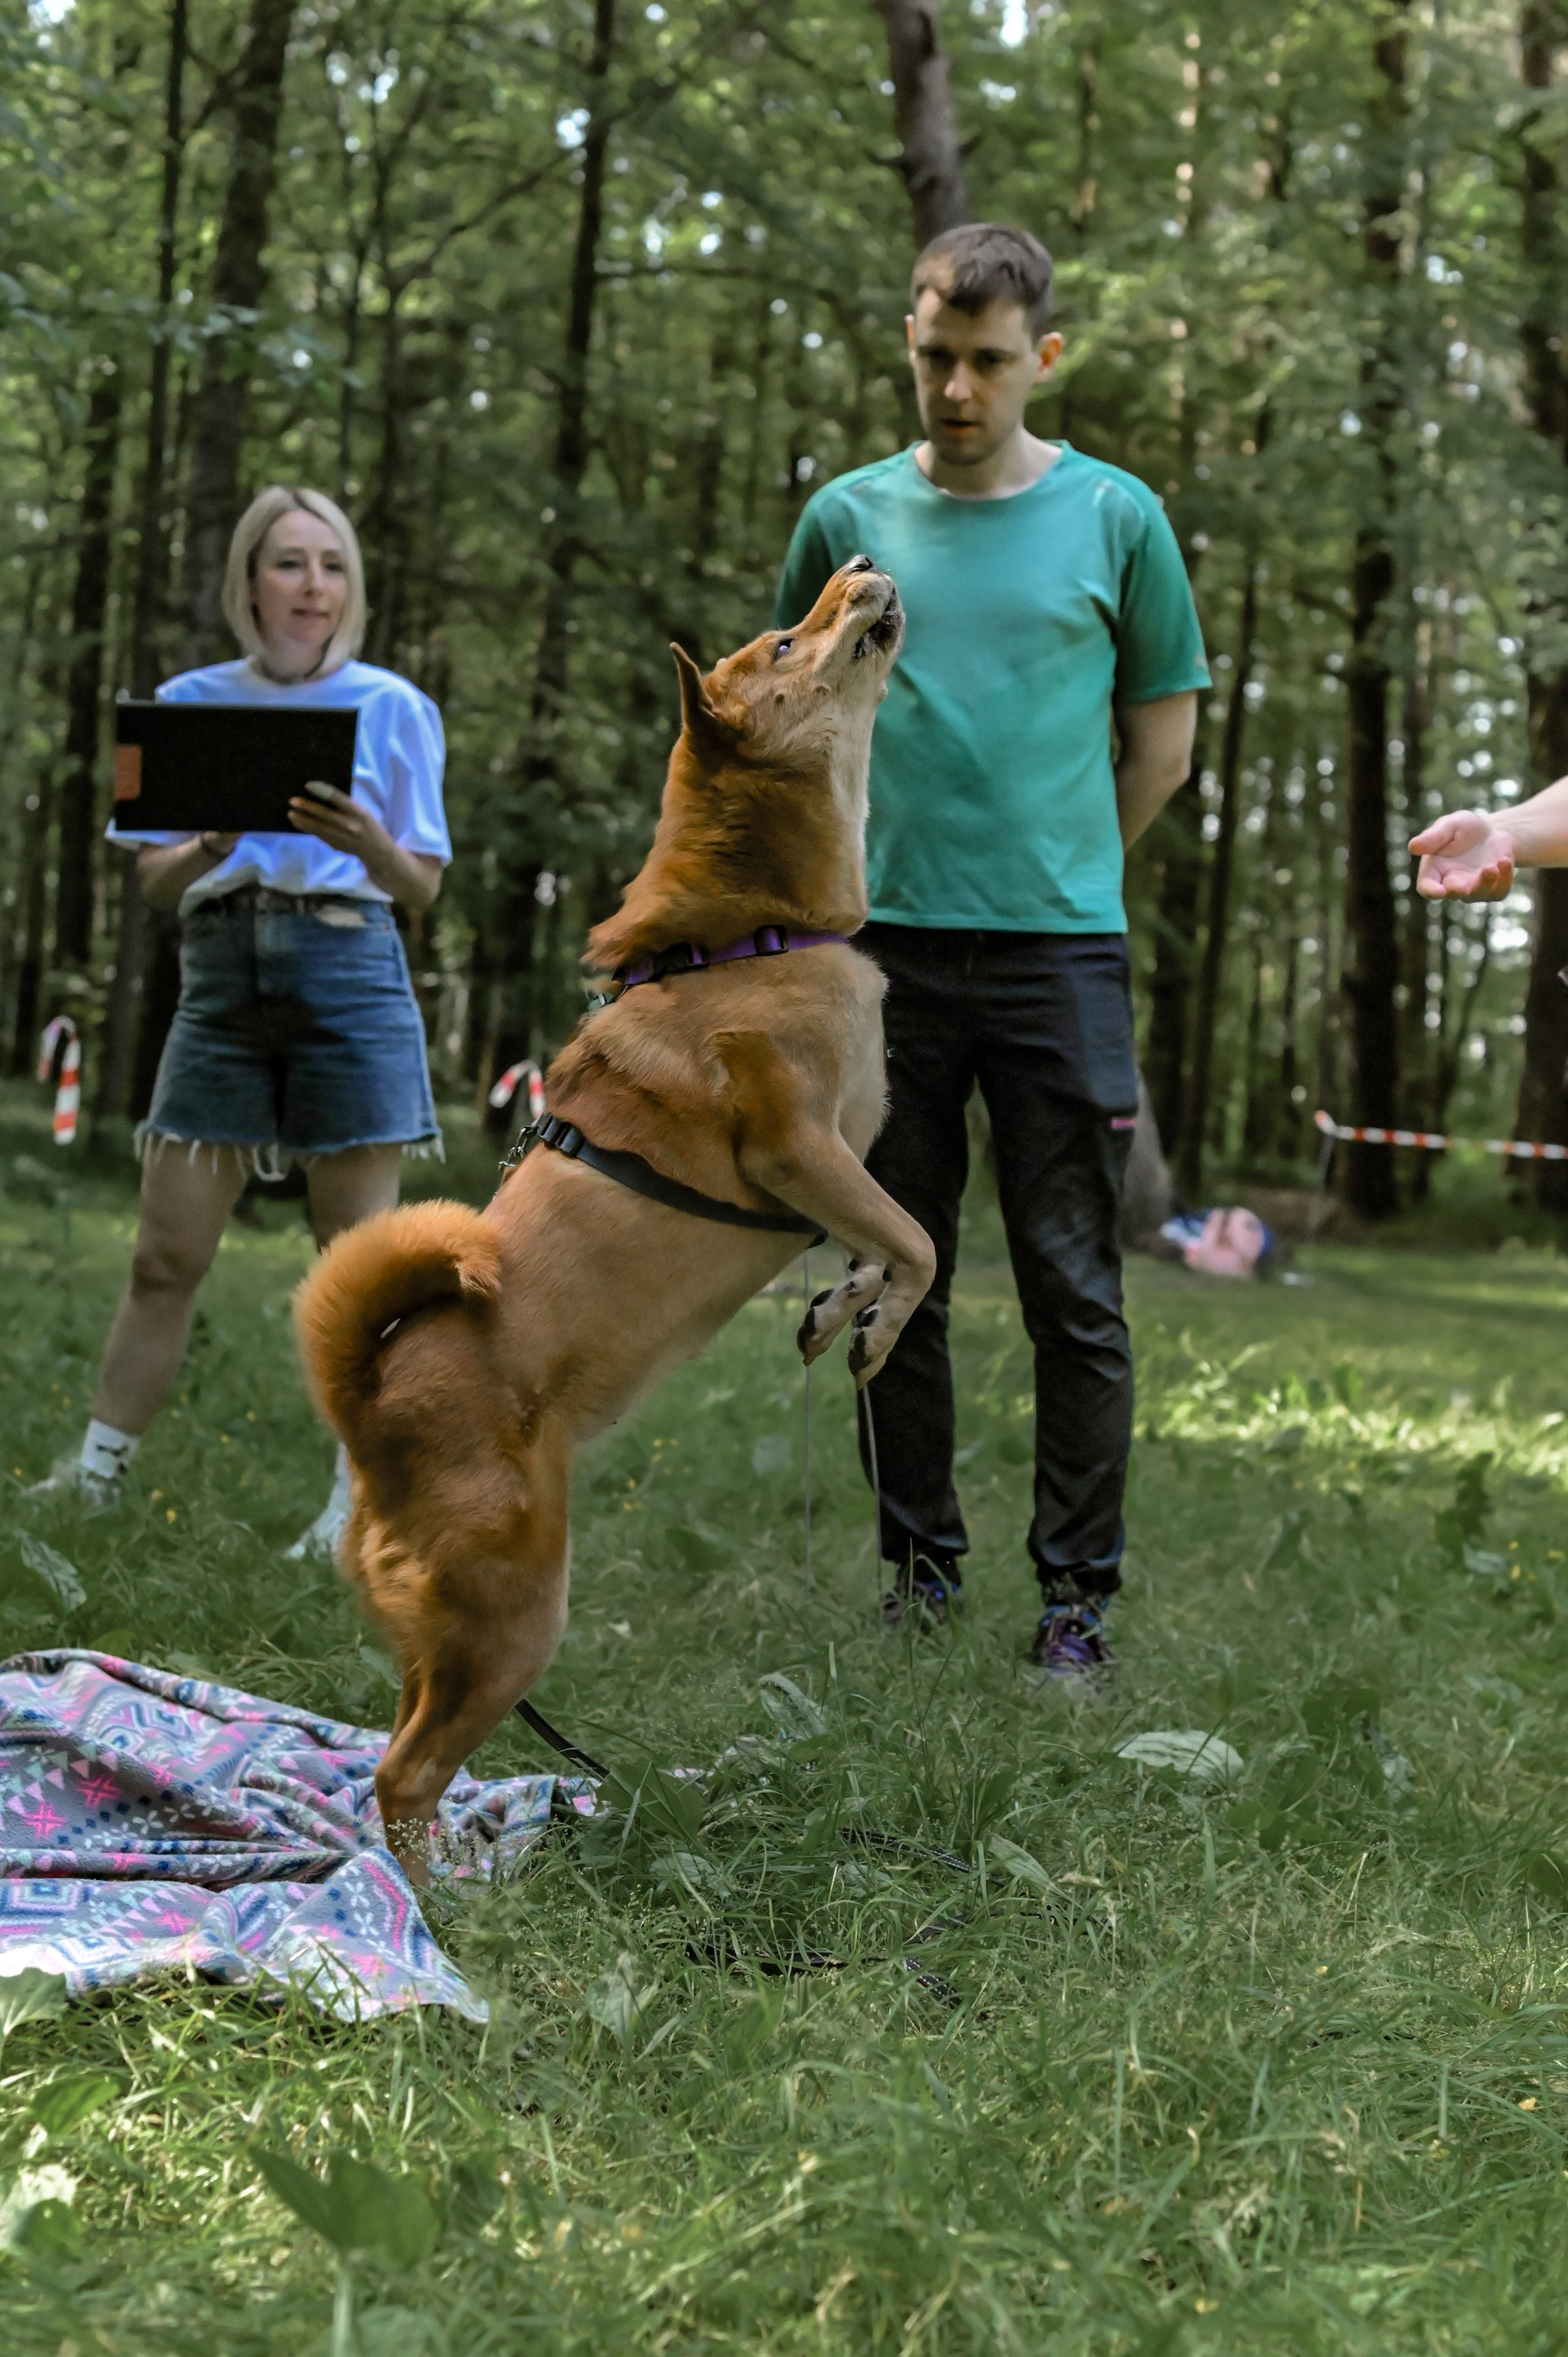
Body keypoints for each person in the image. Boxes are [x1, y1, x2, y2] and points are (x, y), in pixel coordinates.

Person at [774, 223, 1210, 1677]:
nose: (957, 387)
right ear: (906, 339)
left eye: (987, 361)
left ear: (1043, 358)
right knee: (893, 1268)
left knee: (1073, 1285)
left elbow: (1159, 739)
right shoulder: (840, 520)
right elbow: (790, 722)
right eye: (934, 356)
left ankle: (1073, 1603)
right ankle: (918, 1575)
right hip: (875, 951)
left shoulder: (1116, 518)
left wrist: (1062, 866)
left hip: (1057, 955)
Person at [32, 486, 451, 1558]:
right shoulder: (180, 705)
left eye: (332, 567)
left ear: (349, 587)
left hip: (350, 969)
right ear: (248, 581)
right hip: (219, 982)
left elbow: (422, 889)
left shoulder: (396, 706)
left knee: (354, 1267)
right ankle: (97, 1471)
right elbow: (154, 886)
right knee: (166, 1255)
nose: (312, 586)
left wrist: (367, 840)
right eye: (289, 564)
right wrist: (213, 840)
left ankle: (355, 1503)